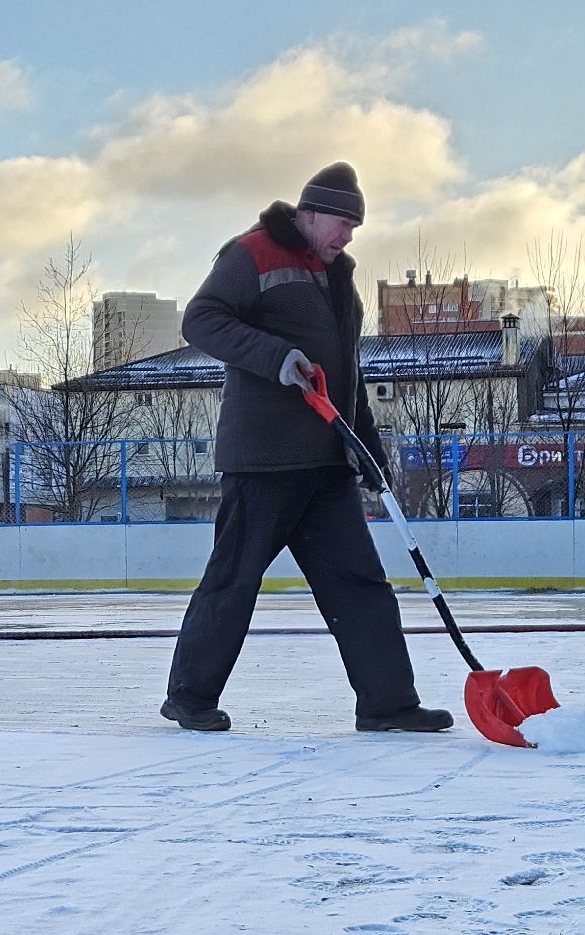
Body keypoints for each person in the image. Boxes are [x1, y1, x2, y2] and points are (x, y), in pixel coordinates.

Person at [161, 162, 453, 734]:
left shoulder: (340, 278)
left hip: (327, 465)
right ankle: (190, 697)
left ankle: (387, 704)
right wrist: (275, 357)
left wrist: (367, 449)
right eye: (340, 222)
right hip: (264, 460)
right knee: (233, 579)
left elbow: (347, 376)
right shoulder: (253, 253)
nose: (346, 236)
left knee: (362, 585)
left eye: (353, 227)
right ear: (309, 213)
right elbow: (201, 321)